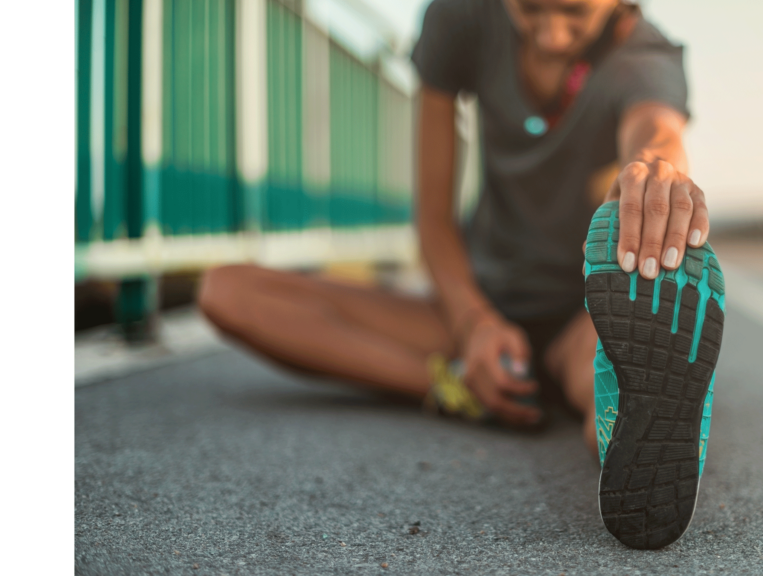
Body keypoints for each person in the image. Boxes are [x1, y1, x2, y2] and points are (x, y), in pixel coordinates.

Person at [199, 0, 722, 550]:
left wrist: (657, 169)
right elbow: (432, 218)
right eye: (529, 9)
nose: (549, 33)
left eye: (572, 11)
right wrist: (473, 323)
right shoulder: (460, 18)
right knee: (229, 291)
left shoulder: (644, 54)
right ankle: (458, 385)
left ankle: (632, 424)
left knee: (612, 408)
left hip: (587, 314)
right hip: (481, 303)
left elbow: (655, 128)